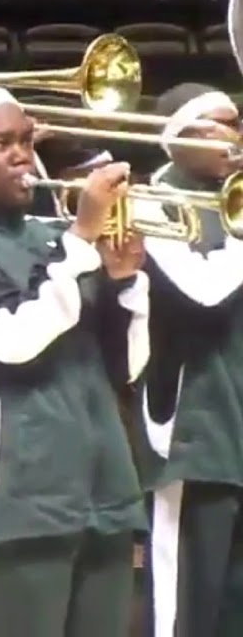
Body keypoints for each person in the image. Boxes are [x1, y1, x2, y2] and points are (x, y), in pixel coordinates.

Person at [0, 84, 148, 636]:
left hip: (104, 486)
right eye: (2, 144)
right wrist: (80, 240)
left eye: (25, 140)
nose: (22, 155)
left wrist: (124, 281)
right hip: (16, 494)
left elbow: (126, 367)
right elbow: (10, 338)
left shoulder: (54, 236)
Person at [134, 84, 243, 637]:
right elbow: (202, 292)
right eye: (223, 124)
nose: (238, 136)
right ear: (180, 135)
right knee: (185, 611)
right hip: (193, 433)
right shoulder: (147, 201)